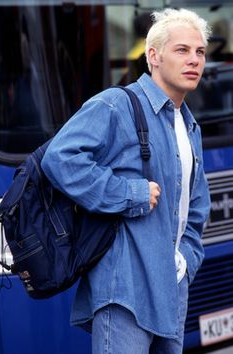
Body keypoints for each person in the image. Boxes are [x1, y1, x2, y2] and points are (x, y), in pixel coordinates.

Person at [41, 8, 211, 354]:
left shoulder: (189, 125)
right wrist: (130, 194)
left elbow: (196, 207)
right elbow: (59, 159)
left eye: (200, 52)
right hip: (125, 291)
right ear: (153, 56)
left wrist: (187, 262)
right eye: (182, 50)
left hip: (172, 286)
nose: (194, 60)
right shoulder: (117, 105)